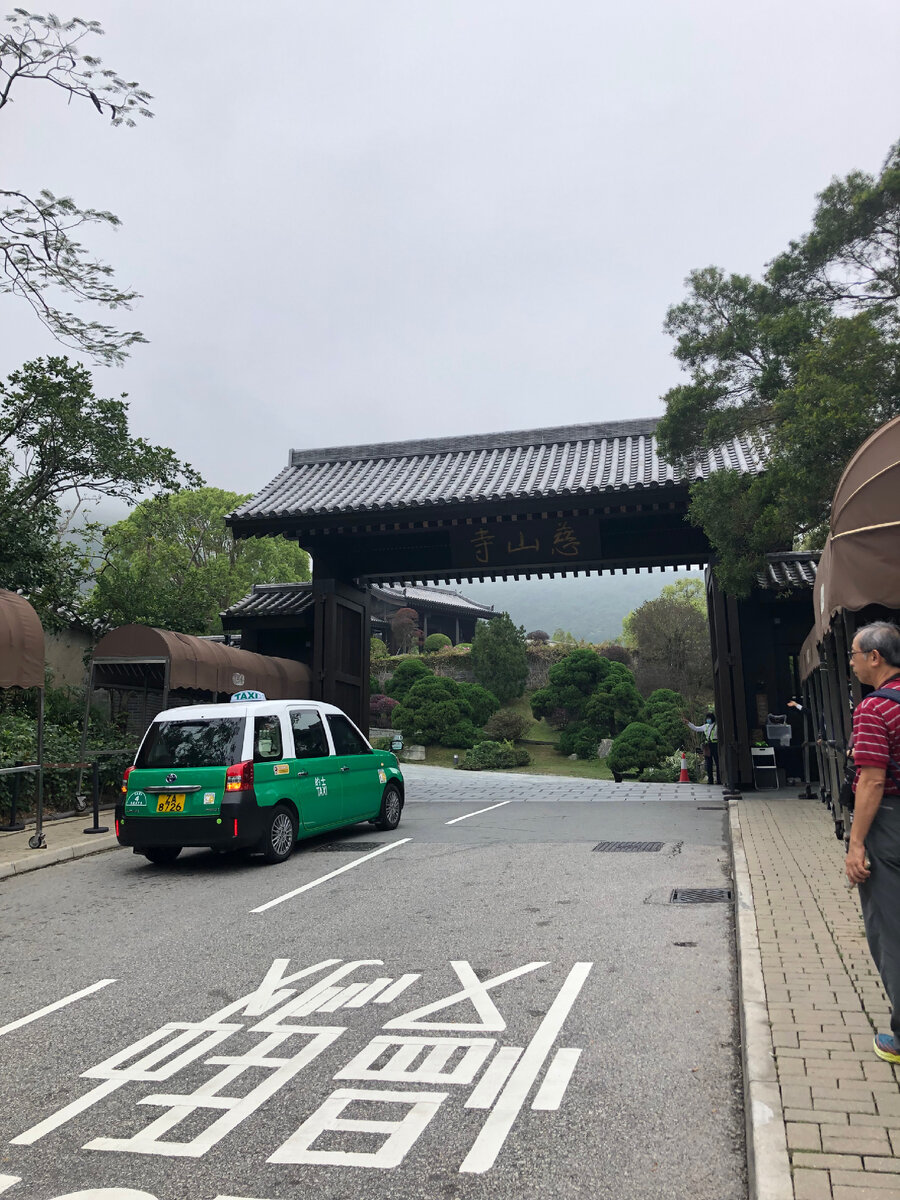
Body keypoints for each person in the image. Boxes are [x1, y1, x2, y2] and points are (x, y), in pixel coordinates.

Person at [844, 620, 900, 1063]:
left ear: (875, 657)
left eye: (854, 654)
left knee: (890, 929)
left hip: (889, 825)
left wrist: (856, 843)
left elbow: (873, 781)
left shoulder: (873, 708)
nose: (851, 662)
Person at [684, 711, 720, 784]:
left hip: (715, 745)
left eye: (709, 718)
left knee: (718, 763)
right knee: (708, 763)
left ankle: (719, 780)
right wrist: (688, 723)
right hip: (708, 745)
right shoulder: (705, 726)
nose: (708, 720)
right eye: (707, 718)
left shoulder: (717, 726)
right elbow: (696, 728)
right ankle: (710, 780)